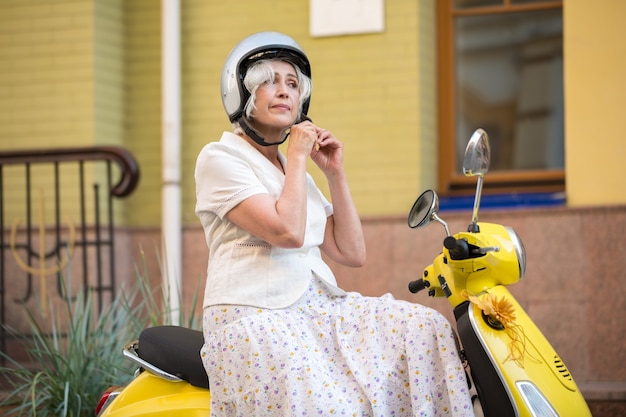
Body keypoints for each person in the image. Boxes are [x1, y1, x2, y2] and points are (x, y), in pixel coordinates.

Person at [195, 31, 475, 416]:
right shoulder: (220, 158)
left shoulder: (296, 174)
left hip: (316, 310)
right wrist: (297, 156)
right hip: (253, 317)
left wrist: (334, 173)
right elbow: (287, 232)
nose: (284, 92)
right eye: (268, 81)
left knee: (424, 328)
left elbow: (352, 252)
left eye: (293, 84)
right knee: (330, 405)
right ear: (241, 94)